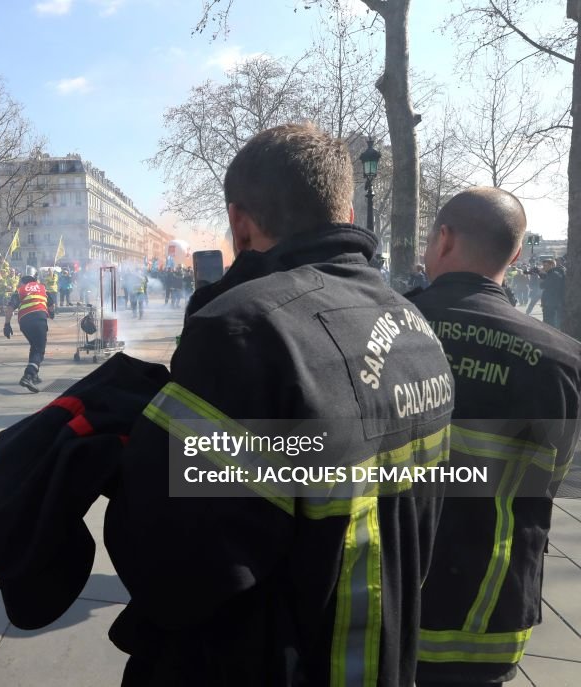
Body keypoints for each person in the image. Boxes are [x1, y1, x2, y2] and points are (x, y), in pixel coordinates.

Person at [102, 124, 453, 685]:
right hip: (382, 659)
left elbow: (172, 566)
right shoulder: (414, 323)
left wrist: (137, 451)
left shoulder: (246, 329)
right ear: (342, 204)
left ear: (239, 223)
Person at [408, 188, 581, 687]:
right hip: (490, 611)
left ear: (443, 239)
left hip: (387, 602)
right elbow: (560, 481)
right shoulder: (563, 361)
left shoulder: (381, 329)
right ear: (517, 254)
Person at [3, 266, 54, 393]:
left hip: (24, 322)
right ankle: (28, 375)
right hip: (39, 319)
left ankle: (34, 375)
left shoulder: (20, 291)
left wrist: (7, 325)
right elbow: (51, 306)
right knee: (39, 349)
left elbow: (10, 309)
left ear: (24, 282)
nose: (19, 284)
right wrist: (51, 314)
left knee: (34, 346)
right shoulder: (42, 288)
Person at [538, 257, 566, 329]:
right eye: (543, 266)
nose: (543, 268)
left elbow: (543, 285)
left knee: (549, 324)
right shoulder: (557, 273)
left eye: (545, 266)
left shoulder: (553, 274)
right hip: (553, 301)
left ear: (552, 265)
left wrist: (541, 278)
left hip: (551, 302)